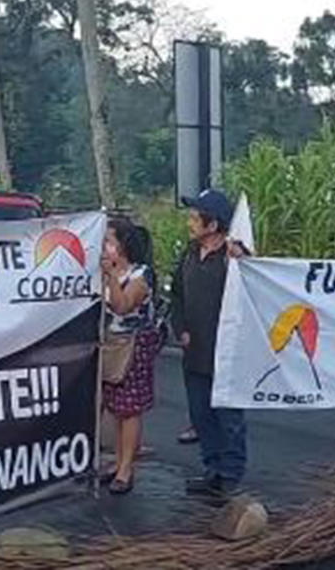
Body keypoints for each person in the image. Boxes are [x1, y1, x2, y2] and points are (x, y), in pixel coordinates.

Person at [171, 188, 250, 497]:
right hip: (195, 351)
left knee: (228, 417)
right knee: (201, 414)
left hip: (226, 353)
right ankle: (212, 470)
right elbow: (176, 293)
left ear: (213, 225)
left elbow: (256, 282)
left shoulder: (232, 259)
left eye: (195, 217)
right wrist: (180, 329)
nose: (190, 223)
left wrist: (244, 258)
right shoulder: (190, 253)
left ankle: (230, 475)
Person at [100, 218, 163, 495]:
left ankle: (127, 468)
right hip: (110, 343)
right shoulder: (105, 271)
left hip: (134, 344)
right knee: (115, 406)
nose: (105, 247)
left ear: (123, 246)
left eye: (109, 242)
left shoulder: (141, 274)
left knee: (130, 408)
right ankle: (118, 460)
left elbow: (122, 305)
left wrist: (111, 276)